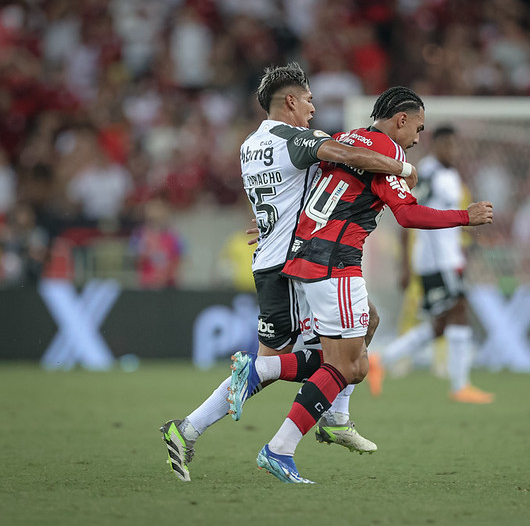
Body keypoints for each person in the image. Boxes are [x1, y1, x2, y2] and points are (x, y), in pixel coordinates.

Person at [159, 63, 417, 482]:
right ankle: (313, 420)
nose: (314, 109)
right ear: (291, 101)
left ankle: (189, 428)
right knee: (339, 360)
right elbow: (347, 154)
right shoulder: (294, 138)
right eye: (310, 100)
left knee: (362, 326)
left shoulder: (249, 145)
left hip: (271, 259)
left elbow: (281, 193)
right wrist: (403, 169)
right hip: (296, 264)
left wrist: (269, 225)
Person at [227, 86, 494, 484]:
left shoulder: (346, 139)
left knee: (368, 324)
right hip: (336, 263)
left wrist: (271, 225)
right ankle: (277, 435)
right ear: (401, 120)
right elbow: (406, 215)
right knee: (348, 365)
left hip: (301, 257)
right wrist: (464, 217)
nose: (418, 137)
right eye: (418, 127)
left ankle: (334, 416)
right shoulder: (387, 153)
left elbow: (305, 188)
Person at [367, 125, 494, 404]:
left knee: (442, 324)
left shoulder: (451, 175)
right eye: (446, 145)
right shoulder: (428, 173)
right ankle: (460, 385)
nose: (452, 150)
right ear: (435, 146)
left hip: (450, 258)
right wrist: (404, 265)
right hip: (434, 260)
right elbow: (408, 214)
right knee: (458, 309)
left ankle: (380, 360)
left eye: (454, 145)